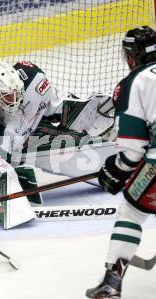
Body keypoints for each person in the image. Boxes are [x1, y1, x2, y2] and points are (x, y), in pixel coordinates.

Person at [0, 60, 116, 229]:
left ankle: (114, 164)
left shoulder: (32, 78)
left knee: (61, 140)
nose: (15, 99)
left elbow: (51, 105)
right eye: (8, 97)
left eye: (17, 93)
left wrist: (80, 112)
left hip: (17, 136)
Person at [86, 26, 156, 299]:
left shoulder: (134, 81)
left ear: (132, 56)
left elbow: (133, 150)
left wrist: (113, 171)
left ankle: (111, 283)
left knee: (132, 211)